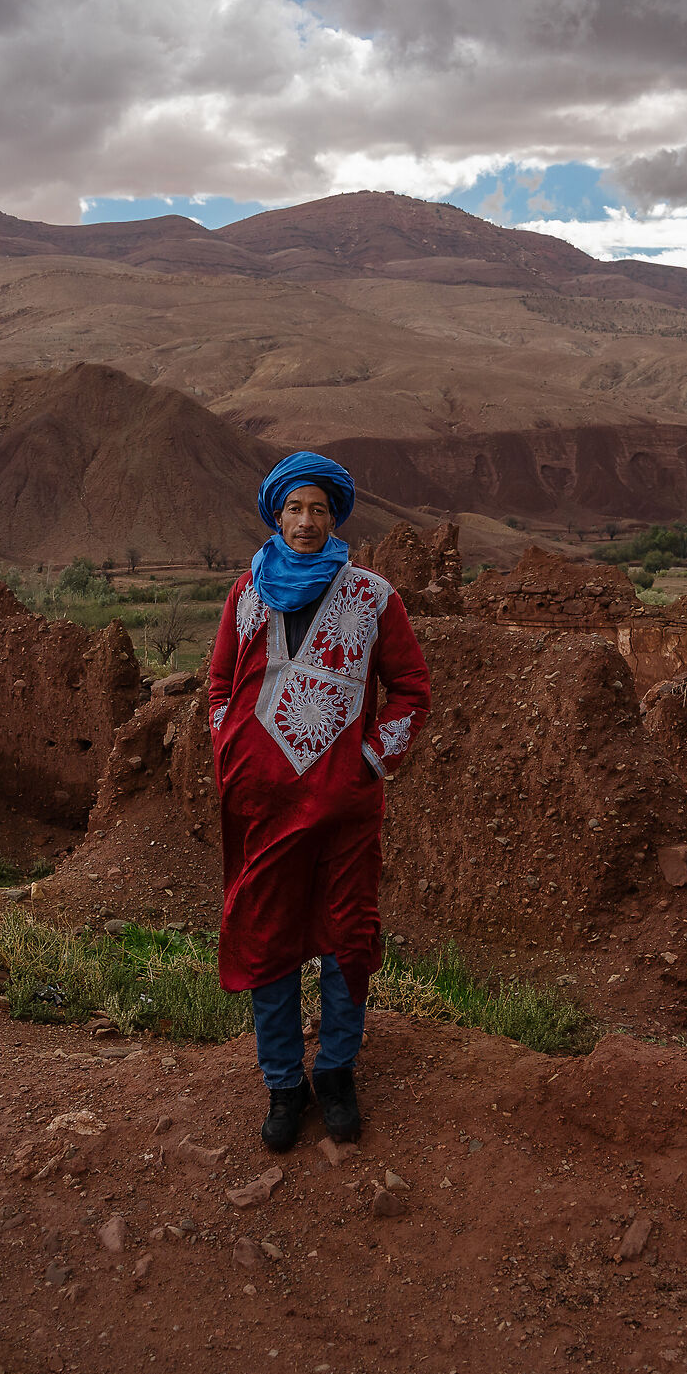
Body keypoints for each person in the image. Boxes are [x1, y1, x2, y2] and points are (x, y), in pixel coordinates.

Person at [206, 452, 431, 1152]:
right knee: (268, 940)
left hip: (345, 811)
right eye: (296, 509)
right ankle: (281, 1081)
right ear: (276, 515)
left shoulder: (372, 597)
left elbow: (412, 691)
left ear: (336, 518)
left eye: (320, 510)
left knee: (347, 941)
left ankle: (334, 1072)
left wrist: (368, 761)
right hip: (262, 809)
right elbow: (217, 687)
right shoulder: (247, 593)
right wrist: (234, 755)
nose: (307, 522)